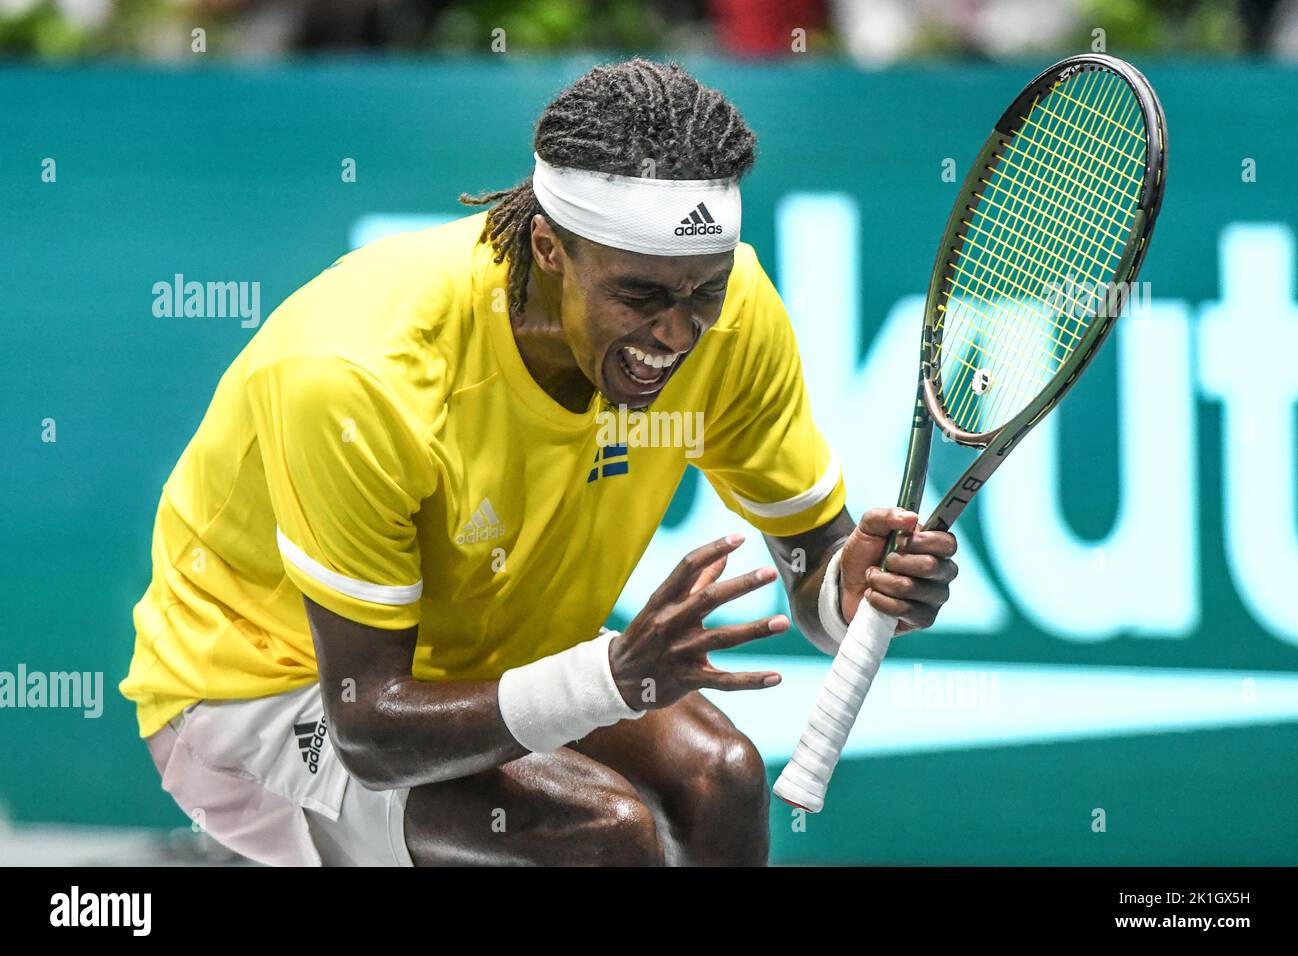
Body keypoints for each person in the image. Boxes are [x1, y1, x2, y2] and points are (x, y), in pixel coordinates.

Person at [120, 58, 959, 866]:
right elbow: (370, 729)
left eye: (701, 292)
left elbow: (821, 591)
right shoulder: (357, 374)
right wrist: (610, 676)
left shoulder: (731, 314)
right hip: (261, 691)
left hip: (481, 655)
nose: (677, 334)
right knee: (597, 836)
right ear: (550, 248)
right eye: (641, 296)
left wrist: (859, 596)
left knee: (721, 781)